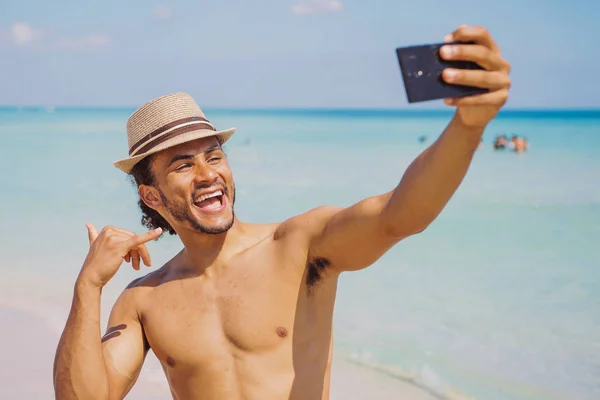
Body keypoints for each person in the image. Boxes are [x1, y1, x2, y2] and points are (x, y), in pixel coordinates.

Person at [53, 24, 511, 400]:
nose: (208, 173)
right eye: (182, 164)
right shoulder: (143, 300)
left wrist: (468, 128)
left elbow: (401, 213)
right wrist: (88, 284)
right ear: (151, 196)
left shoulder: (299, 246)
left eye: (214, 156)